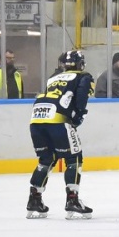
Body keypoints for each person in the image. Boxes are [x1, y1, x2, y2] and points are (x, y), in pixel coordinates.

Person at [26, 50, 95, 220]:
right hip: (58, 120)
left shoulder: (53, 77)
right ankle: (72, 200)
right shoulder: (83, 76)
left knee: (46, 160)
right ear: (80, 64)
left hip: (36, 119)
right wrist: (77, 119)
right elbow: (80, 101)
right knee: (74, 158)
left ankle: (34, 200)